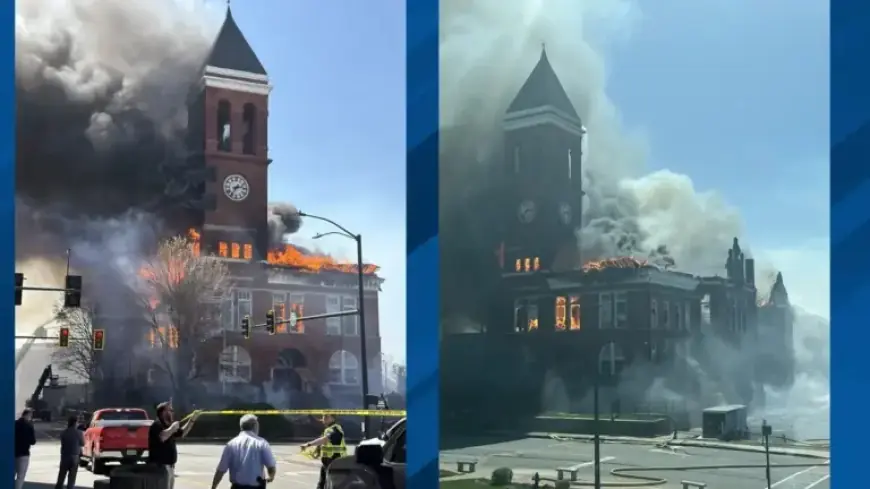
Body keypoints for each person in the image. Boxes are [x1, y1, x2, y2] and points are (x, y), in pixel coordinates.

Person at [210, 414, 276, 489]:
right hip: (257, 486)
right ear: (255, 426)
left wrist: (213, 487)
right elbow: (271, 466)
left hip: (237, 487)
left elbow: (221, 469)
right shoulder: (262, 443)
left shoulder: (231, 444)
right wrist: (271, 477)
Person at [148, 401, 201, 489]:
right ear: (164, 412)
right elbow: (163, 437)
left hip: (170, 467)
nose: (173, 413)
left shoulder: (168, 425)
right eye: (171, 410)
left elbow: (183, 433)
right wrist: (173, 428)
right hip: (160, 467)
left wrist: (192, 420)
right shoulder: (157, 425)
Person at [301, 414, 347, 489]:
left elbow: (325, 439)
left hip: (335, 461)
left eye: (327, 417)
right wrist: (318, 450)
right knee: (322, 483)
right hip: (328, 461)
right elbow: (324, 442)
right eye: (323, 416)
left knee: (333, 484)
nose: (324, 418)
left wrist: (309, 444)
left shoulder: (335, 429)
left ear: (333, 419)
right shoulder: (328, 429)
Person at [56, 415, 85, 489]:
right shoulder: (79, 433)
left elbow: (63, 443)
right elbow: (82, 443)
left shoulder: (64, 432)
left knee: (61, 476)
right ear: (75, 423)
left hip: (65, 456)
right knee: (72, 478)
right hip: (74, 456)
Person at [15, 408, 36, 489]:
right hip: (24, 453)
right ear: (28, 415)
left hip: (13, 452)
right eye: (31, 415)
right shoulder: (29, 426)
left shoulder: (15, 424)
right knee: (20, 476)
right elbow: (33, 441)